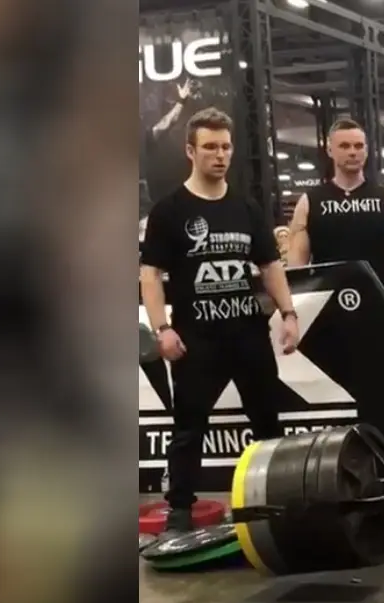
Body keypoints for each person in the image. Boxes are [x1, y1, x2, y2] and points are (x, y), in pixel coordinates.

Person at [139, 107, 301, 534]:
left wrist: (289, 313)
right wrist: (161, 328)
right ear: (190, 151)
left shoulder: (246, 208)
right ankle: (180, 510)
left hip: (248, 334)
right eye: (210, 147)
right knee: (189, 428)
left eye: (226, 147)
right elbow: (150, 274)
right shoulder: (169, 211)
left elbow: (270, 265)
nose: (220, 155)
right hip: (197, 339)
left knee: (268, 423)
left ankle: (277, 502)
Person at [285, 117, 384, 326]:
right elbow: (297, 263)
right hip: (328, 311)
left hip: (380, 308)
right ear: (330, 150)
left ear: (366, 150)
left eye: (358, 146)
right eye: (344, 146)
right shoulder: (310, 201)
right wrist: (293, 311)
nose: (352, 152)